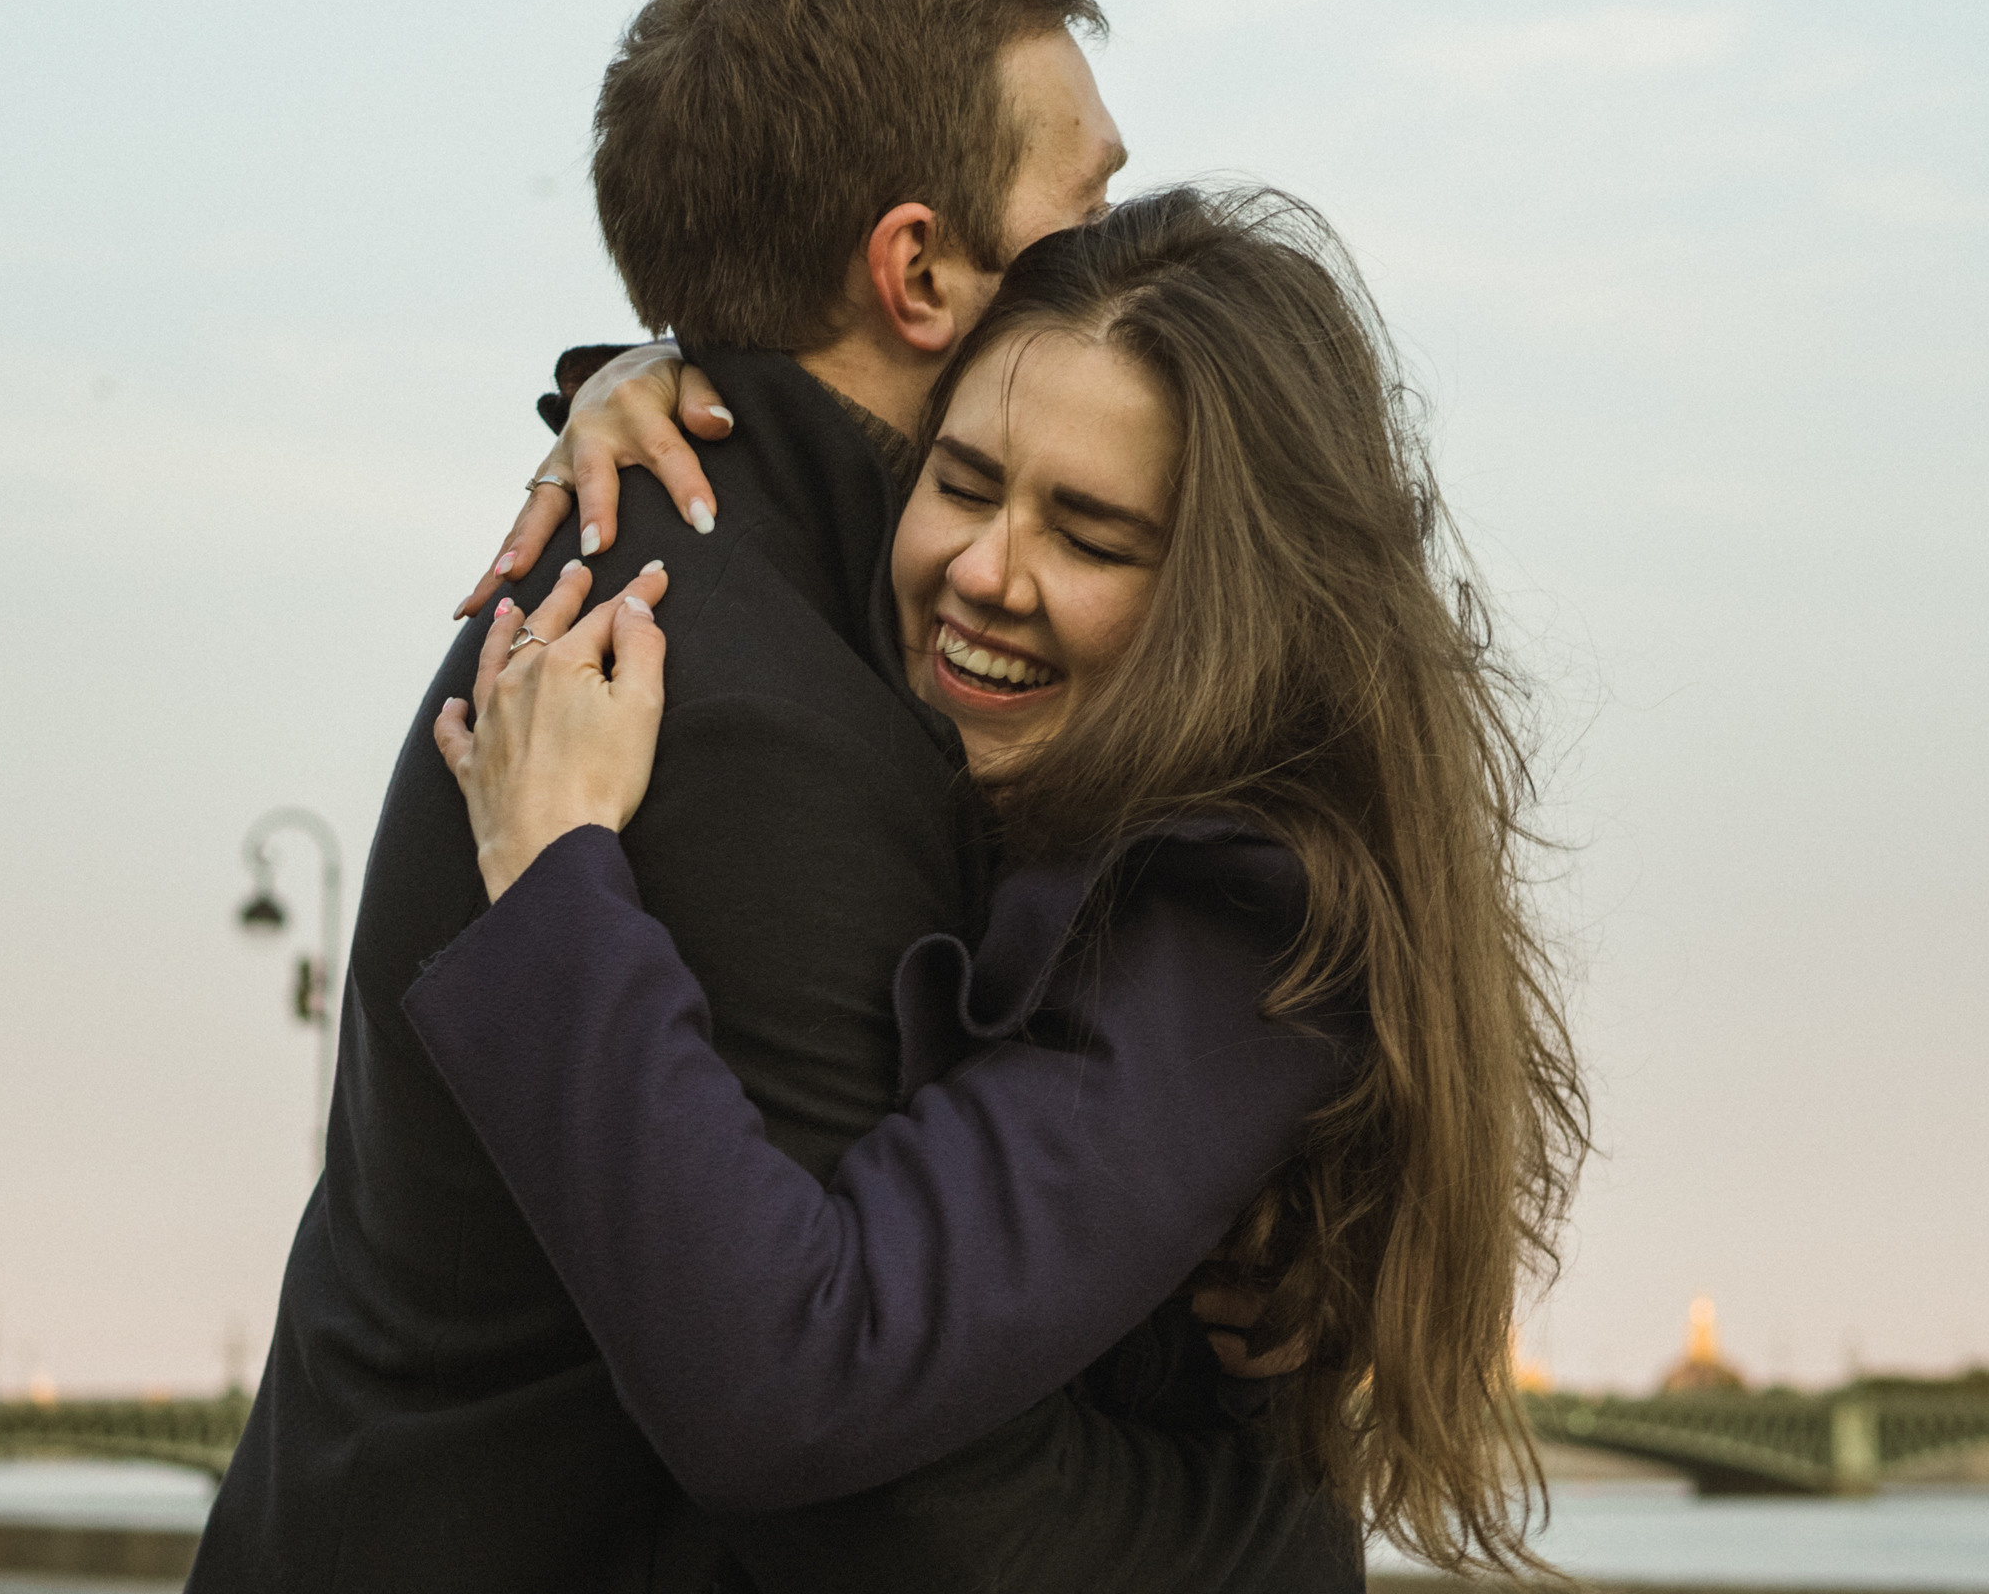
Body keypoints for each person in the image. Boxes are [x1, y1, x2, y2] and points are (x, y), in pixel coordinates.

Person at [188, 0, 1352, 1590]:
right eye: (1085, 209)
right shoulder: (735, 706)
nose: (1122, 249)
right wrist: (1290, 1534)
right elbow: (860, 1461)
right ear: (918, 271)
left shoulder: (749, 589)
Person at [419, 186, 1588, 1577]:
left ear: (1235, 604)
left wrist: (553, 876)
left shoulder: (1243, 932)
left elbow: (792, 1384)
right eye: (963, 484)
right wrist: (655, 381)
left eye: (1091, 539)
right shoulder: (1000, 781)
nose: (986, 571)